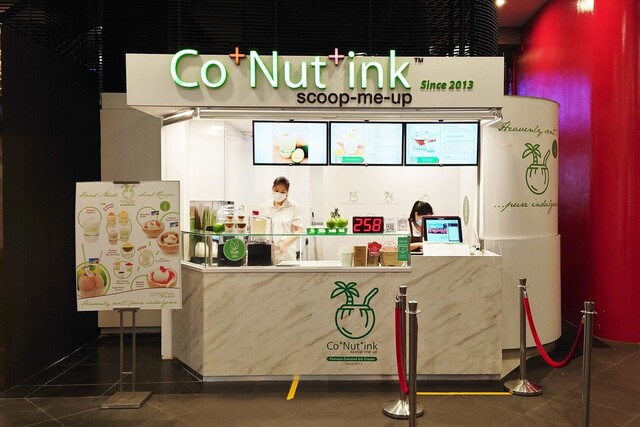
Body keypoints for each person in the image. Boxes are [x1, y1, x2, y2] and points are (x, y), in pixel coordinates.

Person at [259, 176, 304, 262]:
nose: (279, 194)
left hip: (287, 253)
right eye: (276, 190)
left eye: (283, 192)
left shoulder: (294, 206)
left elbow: (299, 230)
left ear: (287, 192)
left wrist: (284, 243)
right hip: (268, 251)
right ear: (272, 189)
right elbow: (261, 230)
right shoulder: (264, 207)